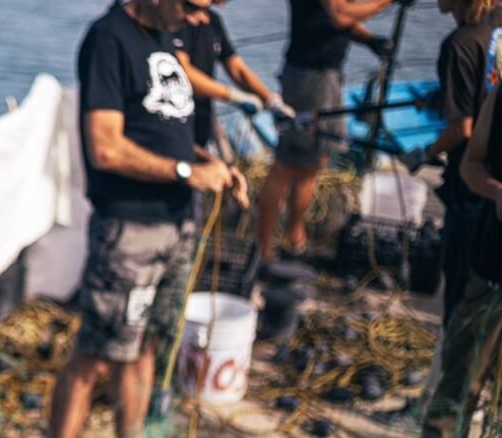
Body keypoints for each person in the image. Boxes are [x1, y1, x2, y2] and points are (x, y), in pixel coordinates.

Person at [27, 0, 248, 438]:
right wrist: (188, 175)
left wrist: (211, 164)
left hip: (177, 224)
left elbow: (164, 130)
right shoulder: (109, 38)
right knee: (95, 356)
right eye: (193, 5)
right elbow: (105, 147)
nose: (198, 18)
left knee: (147, 344)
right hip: (129, 228)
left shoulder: (167, 34)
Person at [256, 0, 400, 262]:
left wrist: (370, 39)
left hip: (328, 74)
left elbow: (335, 19)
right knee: (287, 164)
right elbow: (339, 15)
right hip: (308, 76)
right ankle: (264, 249)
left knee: (314, 162)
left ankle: (294, 241)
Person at [414, 76, 502, 438]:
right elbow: (470, 164)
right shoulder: (499, 94)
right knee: (459, 381)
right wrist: (495, 191)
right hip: (491, 270)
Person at [403, 0, 502, 327]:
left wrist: (425, 154)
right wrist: (437, 98)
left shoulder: (458, 43)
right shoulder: (493, 36)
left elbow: (463, 127)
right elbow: (484, 94)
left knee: (459, 296)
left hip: (470, 190)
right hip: (491, 195)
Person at [173, 0, 296, 151]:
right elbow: (181, 70)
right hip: (176, 118)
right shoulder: (178, 21)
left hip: (202, 118)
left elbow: (236, 68)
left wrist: (270, 100)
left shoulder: (213, 21)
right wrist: (232, 95)